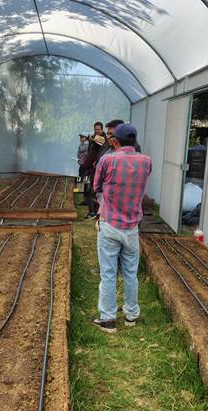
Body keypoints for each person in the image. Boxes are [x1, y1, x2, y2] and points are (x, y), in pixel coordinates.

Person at [91, 123, 152, 333]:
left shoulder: (107, 160)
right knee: (130, 273)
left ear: (115, 140)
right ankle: (131, 315)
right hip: (132, 226)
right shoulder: (146, 161)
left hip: (110, 223)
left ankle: (108, 319)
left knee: (108, 274)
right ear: (134, 141)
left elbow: (96, 186)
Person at [81, 122, 106, 219]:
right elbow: (90, 153)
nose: (97, 131)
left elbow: (101, 143)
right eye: (95, 129)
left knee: (92, 191)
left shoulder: (103, 140)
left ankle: (93, 212)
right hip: (87, 168)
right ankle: (92, 211)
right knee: (86, 189)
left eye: (98, 129)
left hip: (95, 170)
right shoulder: (93, 138)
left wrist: (95, 162)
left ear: (102, 129)